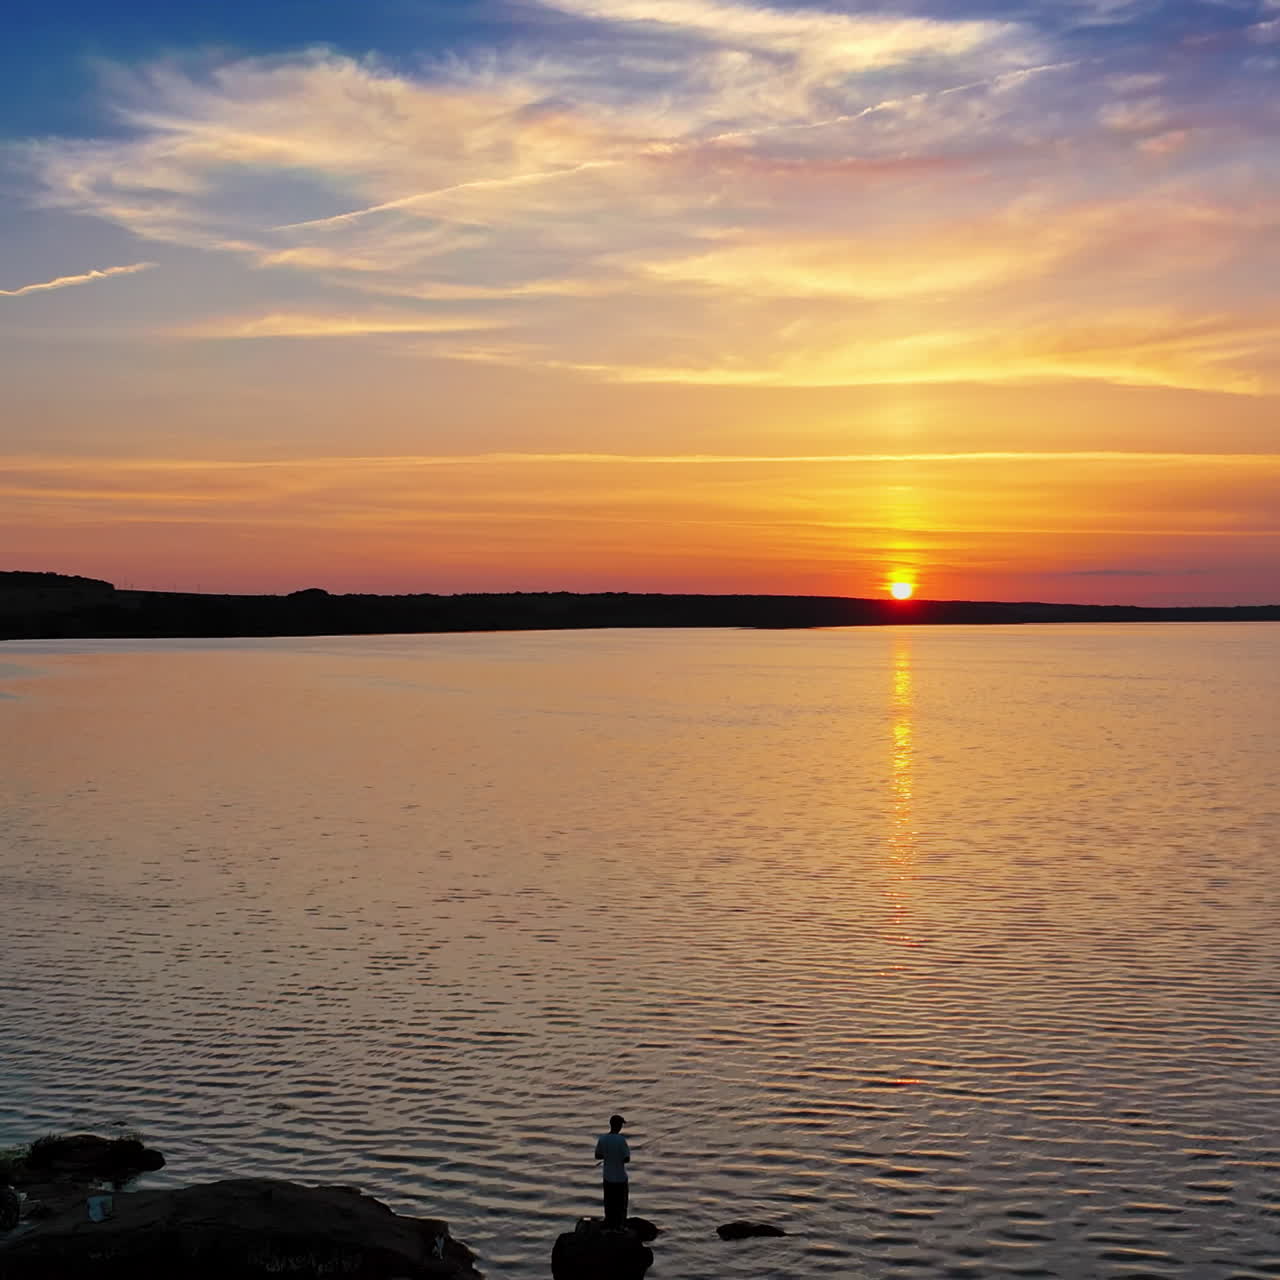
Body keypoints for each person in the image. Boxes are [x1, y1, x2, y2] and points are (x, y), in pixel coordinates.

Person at [594, 1114, 630, 1228]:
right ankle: (620, 1226)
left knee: (609, 1203)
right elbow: (626, 1159)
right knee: (621, 1204)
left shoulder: (602, 1139)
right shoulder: (621, 1140)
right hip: (620, 1178)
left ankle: (609, 1224)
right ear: (619, 1126)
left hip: (608, 1177)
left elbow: (598, 1155)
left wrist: (607, 1156)